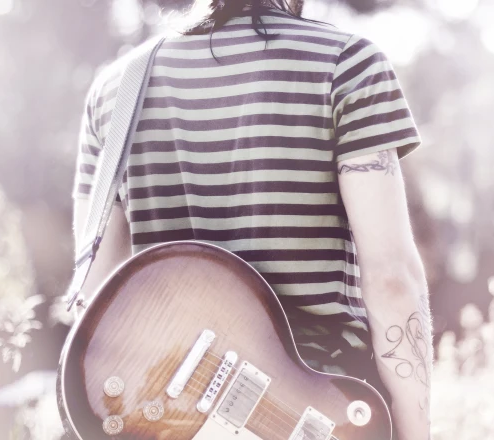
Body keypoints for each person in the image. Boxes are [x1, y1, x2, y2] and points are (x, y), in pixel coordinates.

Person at [70, 0, 432, 438]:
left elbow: (96, 304)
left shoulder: (115, 91)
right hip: (316, 415)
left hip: (175, 420)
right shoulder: (347, 65)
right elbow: (392, 279)